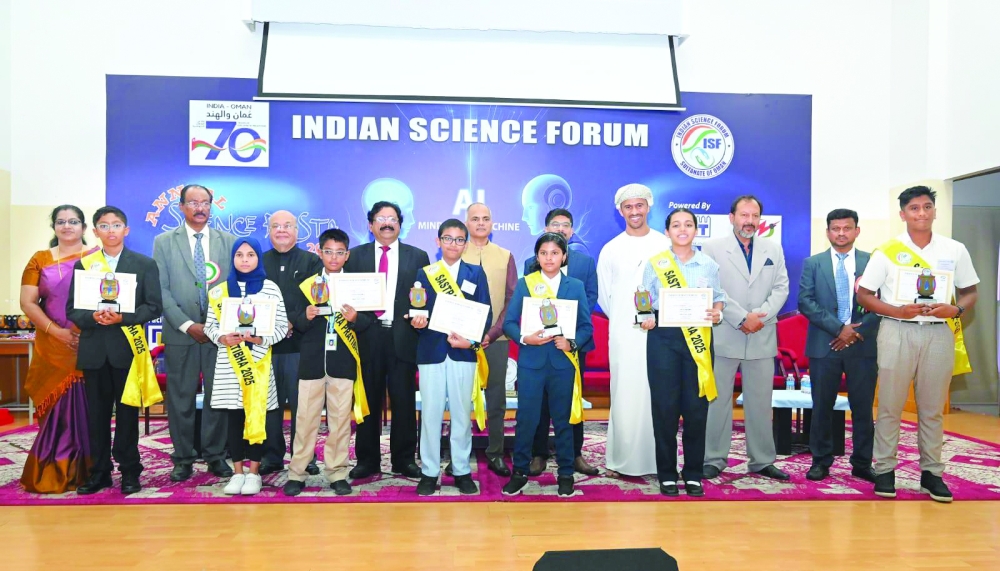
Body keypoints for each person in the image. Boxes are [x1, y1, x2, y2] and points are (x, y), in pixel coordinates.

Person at [857, 186, 979, 503]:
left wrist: (958, 309)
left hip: (939, 333)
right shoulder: (886, 251)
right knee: (889, 407)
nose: (921, 213)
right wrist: (897, 310)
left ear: (935, 211)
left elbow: (969, 291)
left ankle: (932, 474)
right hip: (897, 330)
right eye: (914, 208)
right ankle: (884, 471)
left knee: (932, 409)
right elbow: (865, 295)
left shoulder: (954, 249)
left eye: (927, 207)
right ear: (903, 214)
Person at [66, 206, 163, 495]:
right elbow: (72, 309)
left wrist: (125, 317)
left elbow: (154, 306)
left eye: (117, 225)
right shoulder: (85, 265)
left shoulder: (144, 264)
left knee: (127, 415)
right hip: (95, 350)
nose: (111, 231)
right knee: (96, 416)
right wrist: (92, 317)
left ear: (126, 230)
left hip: (127, 350)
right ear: (94, 232)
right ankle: (99, 472)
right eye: (104, 226)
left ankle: (130, 471)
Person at [701, 195, 790, 481]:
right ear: (732, 218)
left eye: (754, 216)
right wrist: (742, 318)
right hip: (725, 333)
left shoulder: (773, 249)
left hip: (761, 334)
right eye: (744, 215)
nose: (749, 221)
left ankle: (762, 460)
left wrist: (759, 316)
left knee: (761, 402)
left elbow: (781, 288)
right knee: (718, 402)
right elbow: (713, 289)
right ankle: (713, 458)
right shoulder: (712, 248)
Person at [638, 208, 726, 497]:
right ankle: (666, 473)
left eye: (688, 224)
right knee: (664, 409)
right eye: (676, 225)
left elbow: (719, 299)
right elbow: (643, 299)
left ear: (696, 230)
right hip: (664, 337)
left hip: (698, 339)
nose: (682, 229)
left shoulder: (708, 265)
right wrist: (645, 315)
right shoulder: (656, 263)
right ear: (667, 231)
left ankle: (693, 474)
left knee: (696, 409)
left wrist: (716, 312)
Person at [153, 184, 236, 482]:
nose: (199, 208)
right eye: (193, 202)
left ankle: (216, 455)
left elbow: (234, 289)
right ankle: (184, 458)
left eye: (205, 203)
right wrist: (188, 325)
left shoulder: (228, 242)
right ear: (181, 206)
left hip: (220, 335)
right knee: (181, 397)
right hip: (181, 333)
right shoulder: (164, 242)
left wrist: (214, 327)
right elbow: (160, 290)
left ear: (211, 206)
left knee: (218, 396)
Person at [343, 201, 430, 479]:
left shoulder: (418, 256)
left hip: (403, 335)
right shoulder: (355, 257)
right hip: (367, 334)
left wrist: (420, 317)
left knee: (403, 401)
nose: (387, 223)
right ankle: (367, 460)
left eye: (392, 218)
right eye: (380, 218)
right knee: (368, 399)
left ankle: (404, 459)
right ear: (370, 225)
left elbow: (425, 297)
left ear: (400, 225)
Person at [502, 232, 593, 497]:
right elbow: (509, 323)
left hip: (563, 363)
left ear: (564, 256)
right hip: (531, 363)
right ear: (537, 256)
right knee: (526, 420)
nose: (549, 258)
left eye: (554, 253)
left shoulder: (574, 286)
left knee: (563, 421)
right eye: (544, 253)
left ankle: (565, 474)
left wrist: (571, 343)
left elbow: (586, 326)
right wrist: (523, 337)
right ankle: (519, 472)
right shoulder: (525, 283)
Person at [283, 229, 372, 497]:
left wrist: (356, 318)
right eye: (328, 251)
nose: (334, 257)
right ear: (320, 252)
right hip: (311, 362)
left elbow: (369, 324)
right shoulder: (306, 284)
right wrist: (306, 316)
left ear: (347, 255)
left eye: (340, 252)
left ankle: (337, 473)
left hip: (342, 363)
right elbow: (294, 321)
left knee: (340, 421)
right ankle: (297, 473)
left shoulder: (357, 285)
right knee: (305, 420)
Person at [18, 205, 98, 493]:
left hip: (89, 340)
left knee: (87, 409)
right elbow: (28, 302)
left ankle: (88, 469)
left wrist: (77, 331)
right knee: (57, 411)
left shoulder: (97, 258)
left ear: (84, 227)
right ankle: (53, 469)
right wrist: (57, 332)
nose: (67, 226)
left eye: (73, 221)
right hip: (51, 344)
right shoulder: (40, 259)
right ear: (53, 227)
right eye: (61, 222)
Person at [797, 208, 880, 483]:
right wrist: (839, 329)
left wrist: (855, 332)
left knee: (863, 407)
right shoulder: (813, 263)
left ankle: (862, 463)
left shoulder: (873, 262)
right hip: (825, 343)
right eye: (835, 228)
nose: (841, 233)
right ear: (828, 232)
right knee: (821, 406)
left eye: (847, 228)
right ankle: (821, 461)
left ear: (857, 231)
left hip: (862, 345)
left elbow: (881, 302)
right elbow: (805, 302)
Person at [412, 219, 492, 495]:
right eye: (448, 238)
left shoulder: (475, 273)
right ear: (438, 241)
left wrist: (469, 341)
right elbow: (415, 309)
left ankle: (461, 470)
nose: (454, 244)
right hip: (431, 352)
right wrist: (417, 321)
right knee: (430, 415)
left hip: (462, 353)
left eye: (460, 239)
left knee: (461, 414)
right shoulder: (425, 273)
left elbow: (486, 313)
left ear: (466, 244)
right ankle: (429, 472)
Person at [596, 183, 670, 477]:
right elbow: (604, 296)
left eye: (639, 206)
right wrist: (628, 318)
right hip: (625, 334)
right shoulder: (611, 249)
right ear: (620, 210)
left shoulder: (664, 244)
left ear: (649, 206)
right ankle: (622, 459)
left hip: (661, 333)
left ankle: (657, 461)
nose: (635, 212)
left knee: (657, 393)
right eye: (629, 207)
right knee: (625, 393)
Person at [205, 238, 288, 495]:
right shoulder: (219, 291)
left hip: (259, 364)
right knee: (234, 419)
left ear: (258, 258)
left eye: (250, 255)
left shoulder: (270, 288)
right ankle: (237, 473)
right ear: (232, 258)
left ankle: (254, 473)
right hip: (231, 364)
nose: (244, 260)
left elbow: (282, 327)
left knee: (257, 417)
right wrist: (221, 337)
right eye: (239, 255)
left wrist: (261, 338)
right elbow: (209, 325)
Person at [524, 208, 600, 476]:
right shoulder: (530, 263)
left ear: (572, 231)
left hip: (572, 344)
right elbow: (528, 304)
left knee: (572, 399)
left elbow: (590, 298)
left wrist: (569, 331)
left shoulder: (585, 263)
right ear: (545, 229)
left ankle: (575, 453)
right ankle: (538, 453)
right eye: (554, 224)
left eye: (566, 225)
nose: (560, 228)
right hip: (541, 342)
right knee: (540, 401)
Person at [260, 210, 323, 476]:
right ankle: (271, 455)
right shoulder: (259, 261)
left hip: (301, 345)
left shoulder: (311, 262)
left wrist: (291, 322)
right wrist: (275, 326)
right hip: (266, 346)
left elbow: (317, 299)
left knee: (303, 406)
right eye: (276, 226)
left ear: (298, 231)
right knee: (269, 405)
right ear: (269, 231)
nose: (282, 230)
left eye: (288, 226)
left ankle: (304, 455)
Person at [461, 202, 515, 477]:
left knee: (496, 399)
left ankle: (495, 452)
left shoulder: (505, 256)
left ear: (492, 223)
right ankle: (459, 456)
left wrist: (492, 333)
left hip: (497, 339)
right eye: (475, 219)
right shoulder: (456, 252)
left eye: (486, 218)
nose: (480, 223)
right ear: (467, 224)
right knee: (460, 399)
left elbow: (511, 299)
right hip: (460, 340)